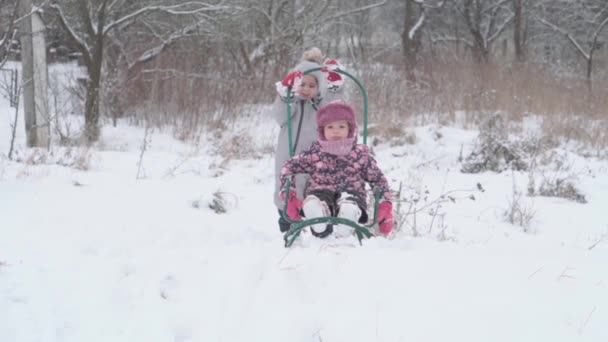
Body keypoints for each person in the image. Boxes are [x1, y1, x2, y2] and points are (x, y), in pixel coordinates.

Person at [278, 100, 393, 238]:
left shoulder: (359, 154)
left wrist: (384, 204)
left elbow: (378, 180)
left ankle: (348, 217)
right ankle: (318, 217)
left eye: (341, 126)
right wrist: (288, 193)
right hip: (320, 192)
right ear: (322, 130)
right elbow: (288, 167)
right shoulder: (315, 153)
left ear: (350, 129)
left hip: (352, 192)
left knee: (350, 201)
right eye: (330, 127)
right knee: (315, 200)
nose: (336, 130)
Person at [272, 47, 345, 233]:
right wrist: (285, 97)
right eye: (302, 84)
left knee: (316, 196)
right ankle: (288, 231)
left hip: (315, 162)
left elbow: (334, 110)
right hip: (288, 158)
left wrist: (335, 88)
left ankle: (320, 229)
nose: (306, 89)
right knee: (287, 194)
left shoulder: (321, 106)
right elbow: (280, 117)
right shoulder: (292, 104)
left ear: (318, 88)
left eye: (312, 86)